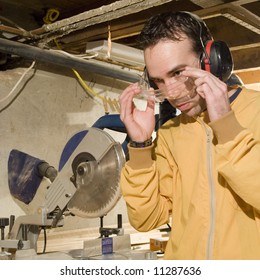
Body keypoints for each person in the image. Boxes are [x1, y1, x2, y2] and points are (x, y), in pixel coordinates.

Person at [119, 11, 260, 259]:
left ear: (211, 60)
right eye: (158, 81)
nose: (171, 92)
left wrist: (226, 125)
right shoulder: (171, 133)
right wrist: (140, 145)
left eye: (177, 73)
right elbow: (147, 218)